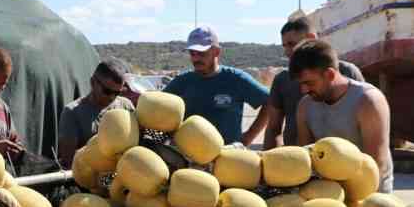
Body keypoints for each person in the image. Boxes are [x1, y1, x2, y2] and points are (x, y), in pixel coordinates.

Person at [291, 39, 394, 193]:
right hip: (329, 195)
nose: (304, 90)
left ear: (330, 74)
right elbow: (306, 160)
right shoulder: (305, 106)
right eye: (301, 84)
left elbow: (376, 163)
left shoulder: (368, 101)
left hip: (369, 196)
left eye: (309, 83)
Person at [264, 16, 365, 149]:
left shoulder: (347, 73)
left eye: (291, 44)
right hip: (299, 160)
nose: (287, 52)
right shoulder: (282, 80)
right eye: (284, 46)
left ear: (311, 38)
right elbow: (273, 128)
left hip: (344, 161)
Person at [163, 26, 270, 146]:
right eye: (192, 53)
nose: (196, 58)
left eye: (201, 53)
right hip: (188, 158)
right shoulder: (182, 81)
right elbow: (159, 106)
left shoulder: (236, 79)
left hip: (227, 157)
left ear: (217, 52)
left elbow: (269, 102)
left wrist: (248, 137)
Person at [57, 55, 136, 165]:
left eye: (117, 93)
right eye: (107, 91)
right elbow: (68, 160)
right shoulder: (72, 113)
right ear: (93, 82)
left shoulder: (126, 106)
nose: (112, 97)